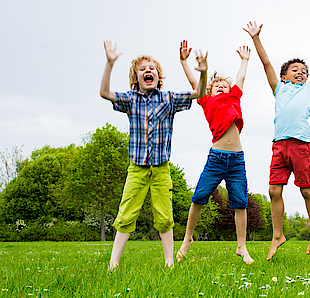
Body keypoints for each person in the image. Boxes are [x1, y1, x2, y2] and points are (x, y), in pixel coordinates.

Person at [100, 40, 205, 270]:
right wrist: (109, 63)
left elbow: (199, 92)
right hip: (136, 168)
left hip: (161, 168)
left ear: (158, 75)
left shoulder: (168, 98)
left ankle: (169, 262)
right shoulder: (130, 99)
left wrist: (202, 71)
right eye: (142, 69)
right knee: (126, 213)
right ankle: (113, 263)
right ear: (136, 78)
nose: (148, 71)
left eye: (152, 68)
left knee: (164, 215)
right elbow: (105, 93)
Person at [244, 21, 310, 260]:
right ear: (284, 76)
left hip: (301, 144)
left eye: (303, 71)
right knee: (274, 190)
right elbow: (266, 63)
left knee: (306, 190)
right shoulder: (279, 88)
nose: (301, 72)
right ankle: (277, 235)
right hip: (279, 144)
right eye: (295, 70)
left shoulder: (308, 89)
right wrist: (256, 38)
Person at [176, 40, 254, 265]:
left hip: (237, 160)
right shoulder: (206, 100)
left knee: (240, 202)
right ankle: (187, 240)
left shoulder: (234, 97)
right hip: (216, 158)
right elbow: (194, 81)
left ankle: (241, 246)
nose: (221, 87)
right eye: (216, 85)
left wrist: (245, 61)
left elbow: (240, 79)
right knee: (199, 197)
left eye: (224, 85)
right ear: (209, 91)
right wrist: (184, 61)